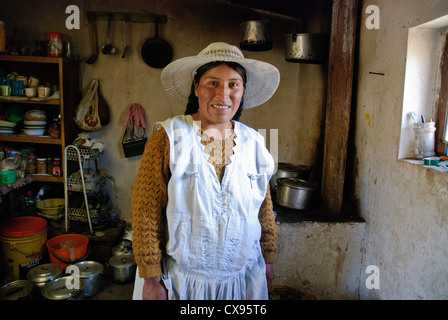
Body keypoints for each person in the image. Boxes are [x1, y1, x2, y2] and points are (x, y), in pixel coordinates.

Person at [131, 42, 280, 300]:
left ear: (242, 91)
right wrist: (151, 278)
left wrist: (268, 258)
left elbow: (263, 208)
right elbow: (146, 210)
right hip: (181, 283)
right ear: (196, 87)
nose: (223, 94)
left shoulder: (254, 142)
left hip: (242, 280)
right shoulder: (168, 137)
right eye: (212, 82)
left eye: (233, 84)